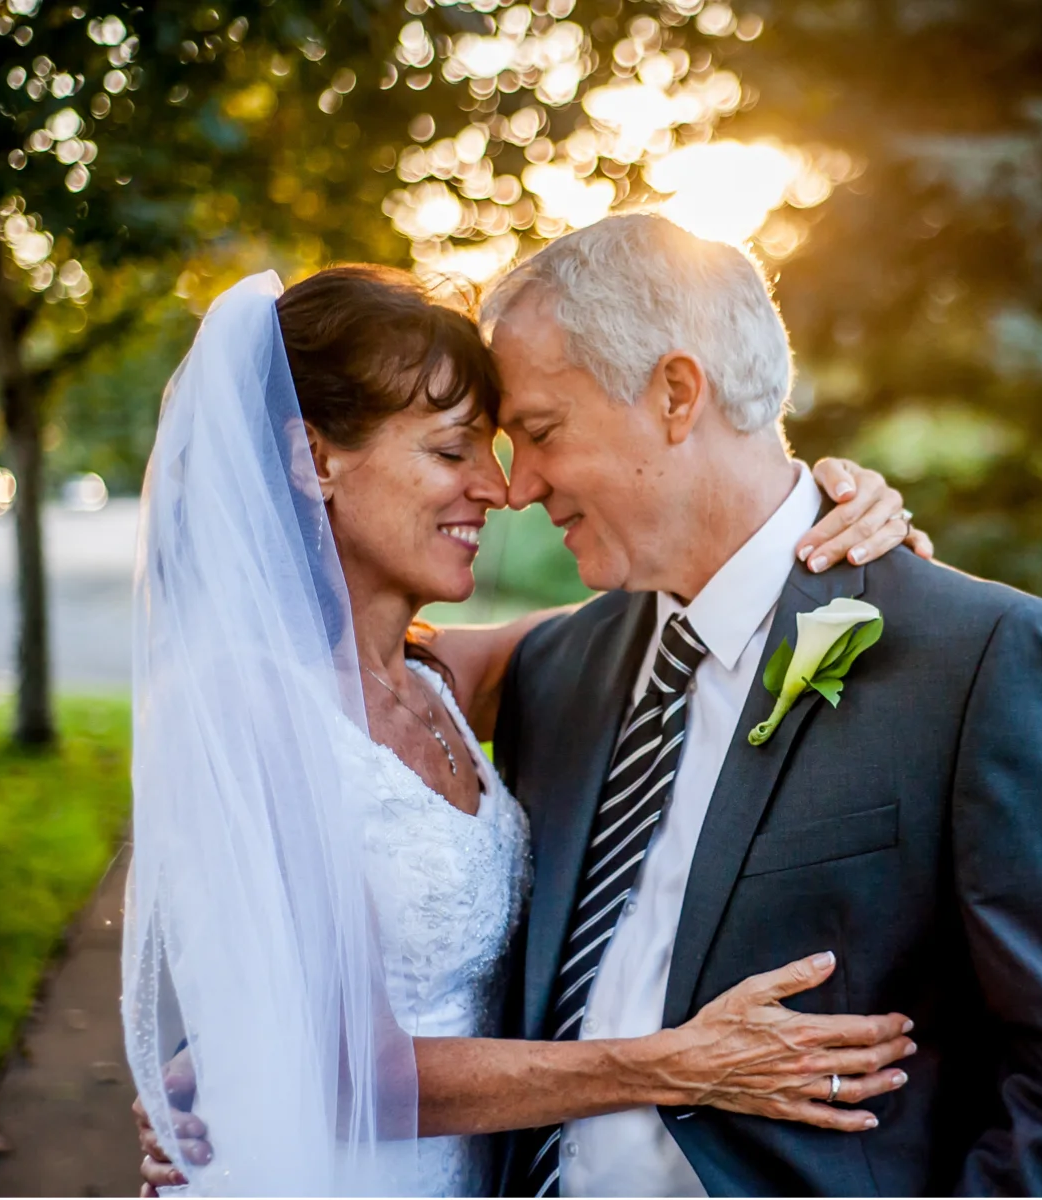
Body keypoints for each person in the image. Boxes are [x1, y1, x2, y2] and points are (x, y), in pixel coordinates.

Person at [125, 263, 928, 1196]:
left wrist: (826, 505)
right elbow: (349, 1065)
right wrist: (679, 1063)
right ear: (316, 460)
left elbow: (710, 593)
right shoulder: (243, 705)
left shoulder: (441, 676)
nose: (500, 490)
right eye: (452, 450)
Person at [476, 215, 1042, 1196]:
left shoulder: (971, 660)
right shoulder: (551, 672)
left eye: (540, 432)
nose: (518, 486)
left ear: (678, 394)